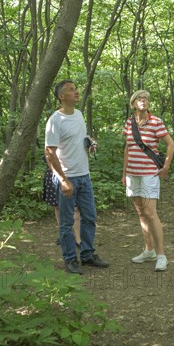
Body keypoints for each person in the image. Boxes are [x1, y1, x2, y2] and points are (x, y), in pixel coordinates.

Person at [45, 80, 109, 275]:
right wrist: (63, 180)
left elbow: (78, 139)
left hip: (84, 176)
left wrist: (89, 143)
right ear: (61, 96)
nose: (76, 92)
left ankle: (88, 255)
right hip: (68, 177)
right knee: (66, 222)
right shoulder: (55, 120)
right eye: (71, 90)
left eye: (76, 89)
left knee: (89, 217)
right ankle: (70, 259)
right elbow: (49, 153)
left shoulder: (79, 115)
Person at [122, 90, 174, 272]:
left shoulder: (156, 122)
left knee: (151, 213)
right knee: (141, 213)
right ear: (133, 103)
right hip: (132, 173)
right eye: (139, 98)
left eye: (145, 99)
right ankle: (148, 250)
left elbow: (170, 143)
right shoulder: (130, 123)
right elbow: (128, 148)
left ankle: (161, 255)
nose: (143, 101)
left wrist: (166, 166)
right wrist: (124, 173)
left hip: (149, 173)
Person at [41, 156, 81, 247]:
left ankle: (79, 240)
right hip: (53, 174)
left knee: (75, 208)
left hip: (72, 175)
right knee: (57, 206)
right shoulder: (51, 142)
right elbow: (48, 156)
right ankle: (64, 236)